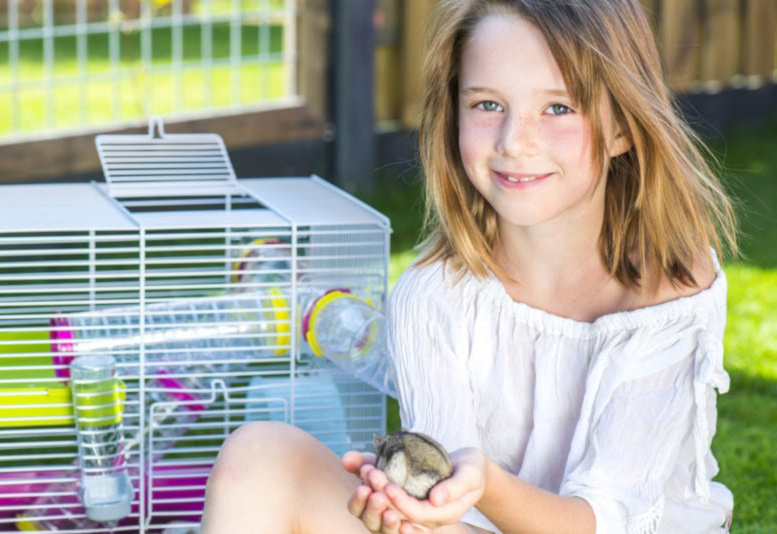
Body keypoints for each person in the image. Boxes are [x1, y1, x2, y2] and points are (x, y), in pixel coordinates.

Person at [199, 0, 739, 532]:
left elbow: (610, 520)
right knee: (260, 456)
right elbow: (449, 512)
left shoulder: (669, 294)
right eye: (487, 104)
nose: (514, 142)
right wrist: (408, 507)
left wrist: (486, 483)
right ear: (452, 111)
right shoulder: (432, 295)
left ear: (622, 127)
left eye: (558, 108)